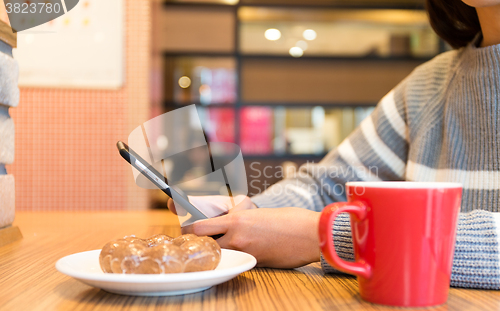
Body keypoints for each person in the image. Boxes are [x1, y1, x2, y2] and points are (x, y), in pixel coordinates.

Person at [169, 0, 500, 289]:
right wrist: (246, 214)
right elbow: (331, 184)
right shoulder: (428, 86)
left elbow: (324, 219)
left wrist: (329, 235)